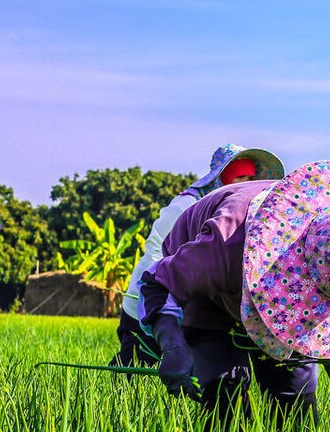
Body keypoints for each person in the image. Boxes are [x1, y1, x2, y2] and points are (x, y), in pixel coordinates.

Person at [135, 160, 330, 432]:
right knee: (226, 392)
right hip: (209, 298)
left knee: (297, 403)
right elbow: (157, 283)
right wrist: (172, 345)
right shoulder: (221, 245)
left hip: (278, 291)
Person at [111, 144, 285, 366]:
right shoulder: (186, 205)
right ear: (221, 178)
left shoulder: (241, 215)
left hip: (188, 298)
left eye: (250, 177)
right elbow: (158, 251)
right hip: (149, 299)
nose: (245, 184)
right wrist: (161, 294)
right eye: (239, 177)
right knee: (134, 364)